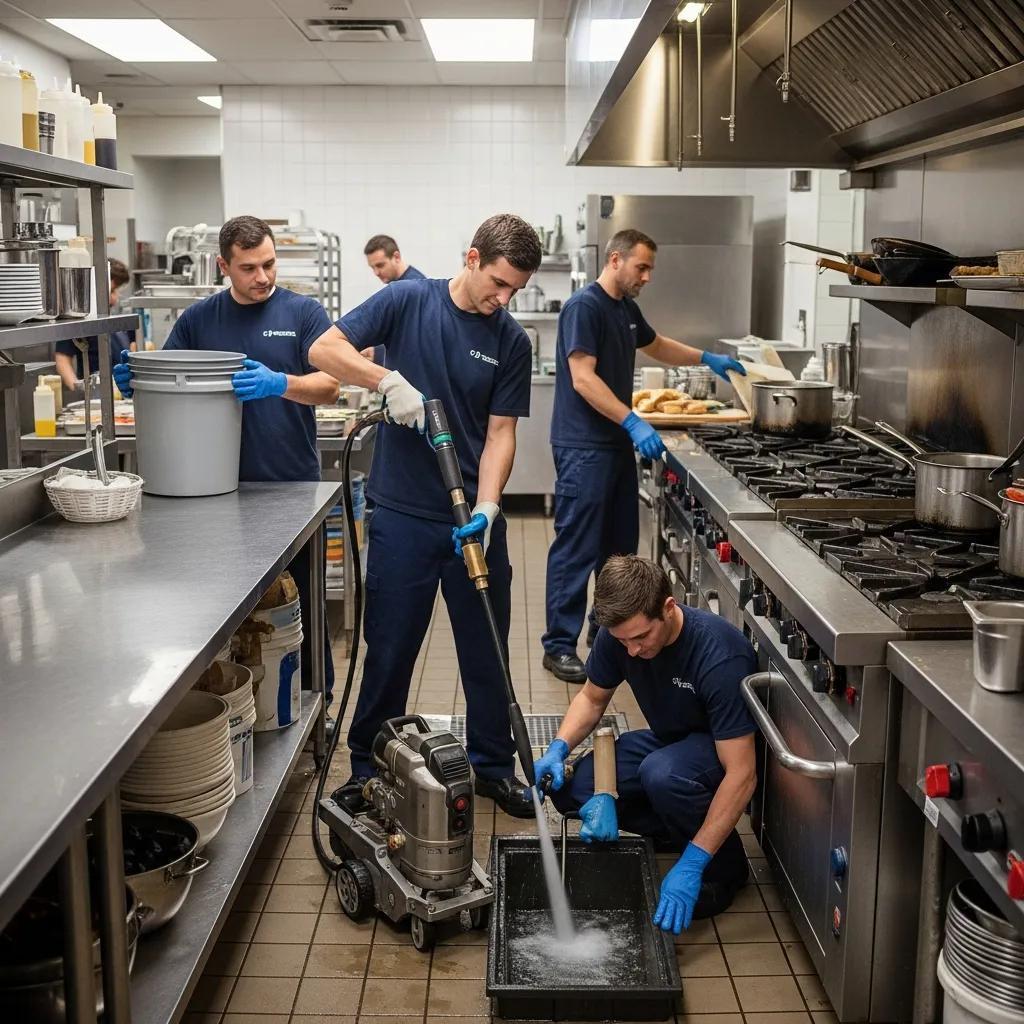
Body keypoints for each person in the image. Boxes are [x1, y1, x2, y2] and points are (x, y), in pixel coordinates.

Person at [306, 213, 543, 818]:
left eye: (514, 289)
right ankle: (367, 765)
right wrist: (387, 380)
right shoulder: (408, 299)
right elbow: (324, 349)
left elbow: (500, 435)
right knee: (389, 648)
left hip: (471, 523)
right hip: (403, 517)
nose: (502, 298)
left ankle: (491, 765)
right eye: (497, 282)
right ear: (470, 258)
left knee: (486, 651)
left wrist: (489, 508)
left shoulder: (511, 341)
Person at [113, 216, 345, 723]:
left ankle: (319, 705)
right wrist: (138, 381)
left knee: (301, 601)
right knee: (223, 609)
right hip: (218, 492)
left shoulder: (303, 312)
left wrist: (280, 383)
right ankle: (240, 707)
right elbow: (168, 381)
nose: (262, 277)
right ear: (224, 266)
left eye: (268, 264)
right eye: (248, 268)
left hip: (290, 486)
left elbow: (330, 385)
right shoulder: (200, 320)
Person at [541, 229, 746, 683]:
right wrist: (633, 420)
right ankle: (558, 646)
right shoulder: (584, 306)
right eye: (642, 267)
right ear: (616, 260)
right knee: (577, 547)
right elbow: (582, 378)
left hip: (613, 445)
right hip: (583, 447)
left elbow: (655, 344)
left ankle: (605, 631)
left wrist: (705, 357)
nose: (647, 276)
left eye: (650, 268)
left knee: (617, 548)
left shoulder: (624, 308)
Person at [536, 555, 757, 932]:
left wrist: (693, 865)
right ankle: (677, 831)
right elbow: (592, 698)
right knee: (575, 787)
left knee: (662, 775)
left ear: (668, 608)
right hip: (669, 738)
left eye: (641, 637)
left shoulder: (719, 655)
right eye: (624, 642)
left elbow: (743, 773)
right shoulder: (619, 636)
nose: (633, 651)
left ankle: (723, 868)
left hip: (721, 747)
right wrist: (558, 749)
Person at [54, 257, 134, 394]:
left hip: (121, 392)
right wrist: (82, 391)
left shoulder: (116, 318)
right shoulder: (82, 319)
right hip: (96, 392)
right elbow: (62, 360)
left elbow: (133, 346)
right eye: (113, 291)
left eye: (117, 291)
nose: (116, 298)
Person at [361, 235, 425, 365]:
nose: (376, 272)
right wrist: (376, 349)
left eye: (380, 265)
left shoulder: (411, 287)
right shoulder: (401, 286)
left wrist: (378, 354)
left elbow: (415, 340)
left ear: (396, 257)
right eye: (372, 267)